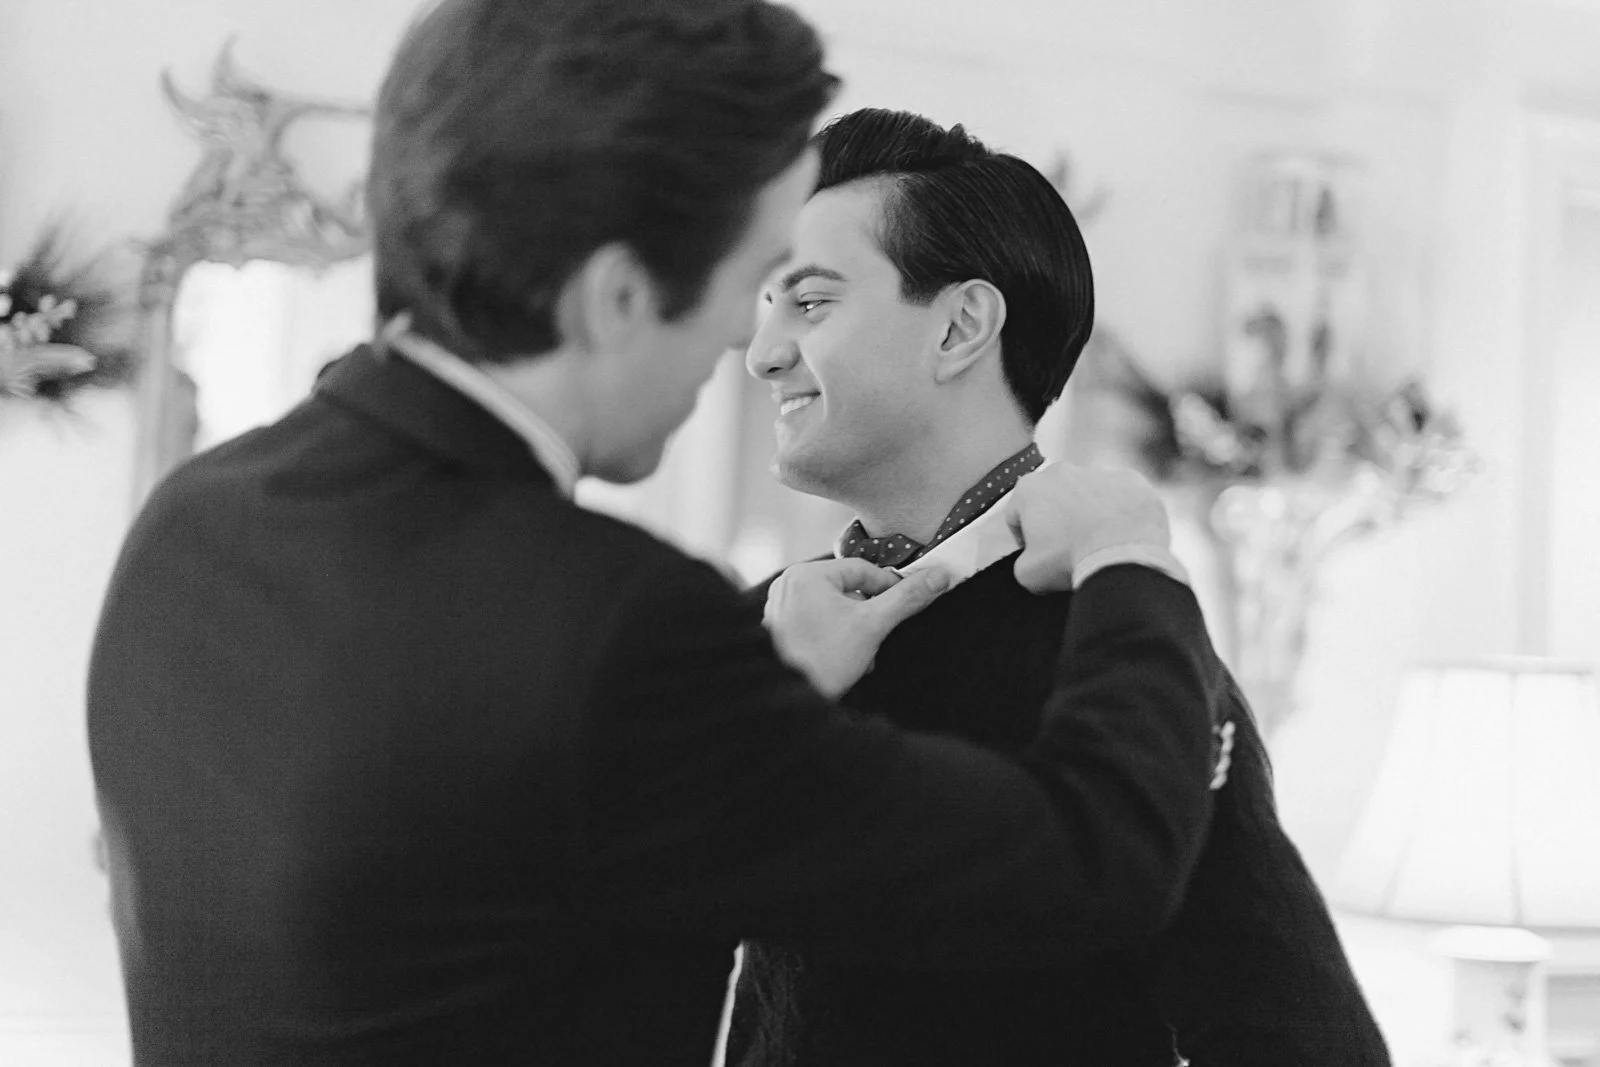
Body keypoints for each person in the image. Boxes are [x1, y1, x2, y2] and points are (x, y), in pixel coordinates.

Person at [87, 4, 1232, 1065]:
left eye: (802, 297)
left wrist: (769, 695)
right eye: (747, 284)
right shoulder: (619, 621)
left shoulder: (195, 521)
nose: (750, 344)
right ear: (618, 297)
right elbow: (1097, 863)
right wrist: (1130, 558)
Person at [728, 108, 1392, 1067]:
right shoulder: (757, 635)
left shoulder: (1124, 650)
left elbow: (1303, 1043)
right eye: (765, 304)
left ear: (960, 327)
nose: (761, 351)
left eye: (810, 302)